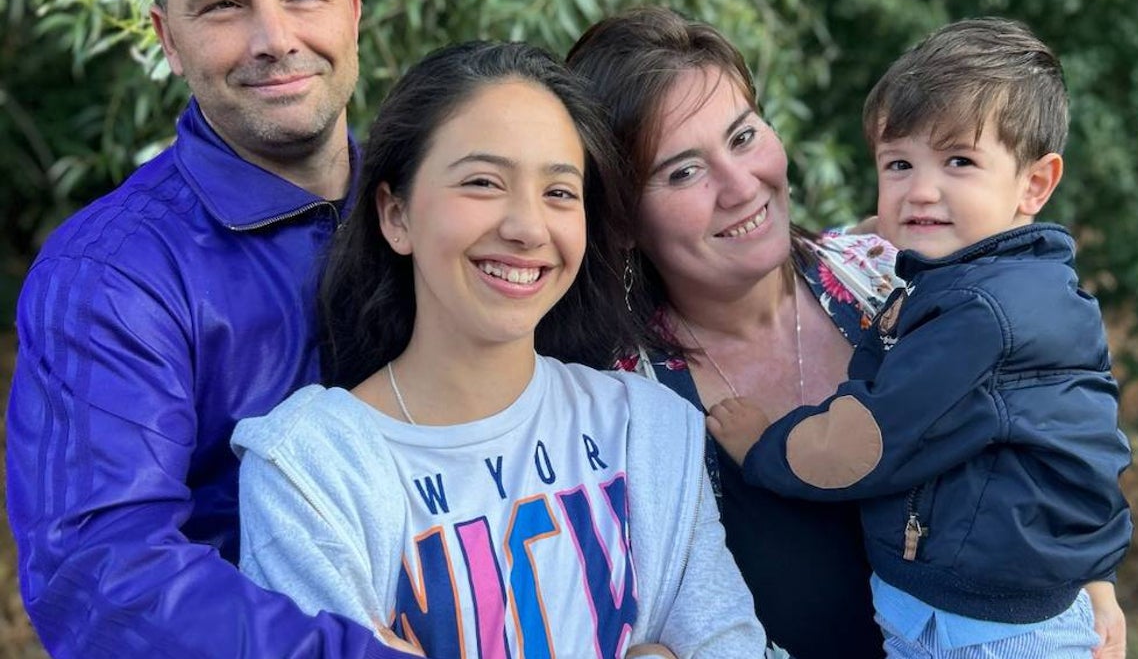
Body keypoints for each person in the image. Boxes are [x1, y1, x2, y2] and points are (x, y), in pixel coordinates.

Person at [231, 40, 765, 658]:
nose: (527, 227)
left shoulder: (646, 430)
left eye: (560, 193)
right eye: (483, 182)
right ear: (395, 214)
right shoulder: (311, 471)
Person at [5, 0, 415, 657]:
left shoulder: (436, 215)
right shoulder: (111, 279)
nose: (275, 38)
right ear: (168, 38)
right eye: (224, 6)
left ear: (352, 12)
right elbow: (102, 580)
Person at [706, 17, 1134, 658]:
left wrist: (762, 447)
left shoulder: (981, 314)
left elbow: (867, 440)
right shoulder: (1020, 284)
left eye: (960, 161)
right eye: (899, 163)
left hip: (984, 633)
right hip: (978, 613)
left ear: (1035, 184)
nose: (921, 190)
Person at [565, 5, 899, 658]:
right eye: (683, 171)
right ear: (624, 220)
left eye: (743, 137)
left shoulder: (893, 284)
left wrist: (1084, 570)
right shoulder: (619, 414)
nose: (740, 186)